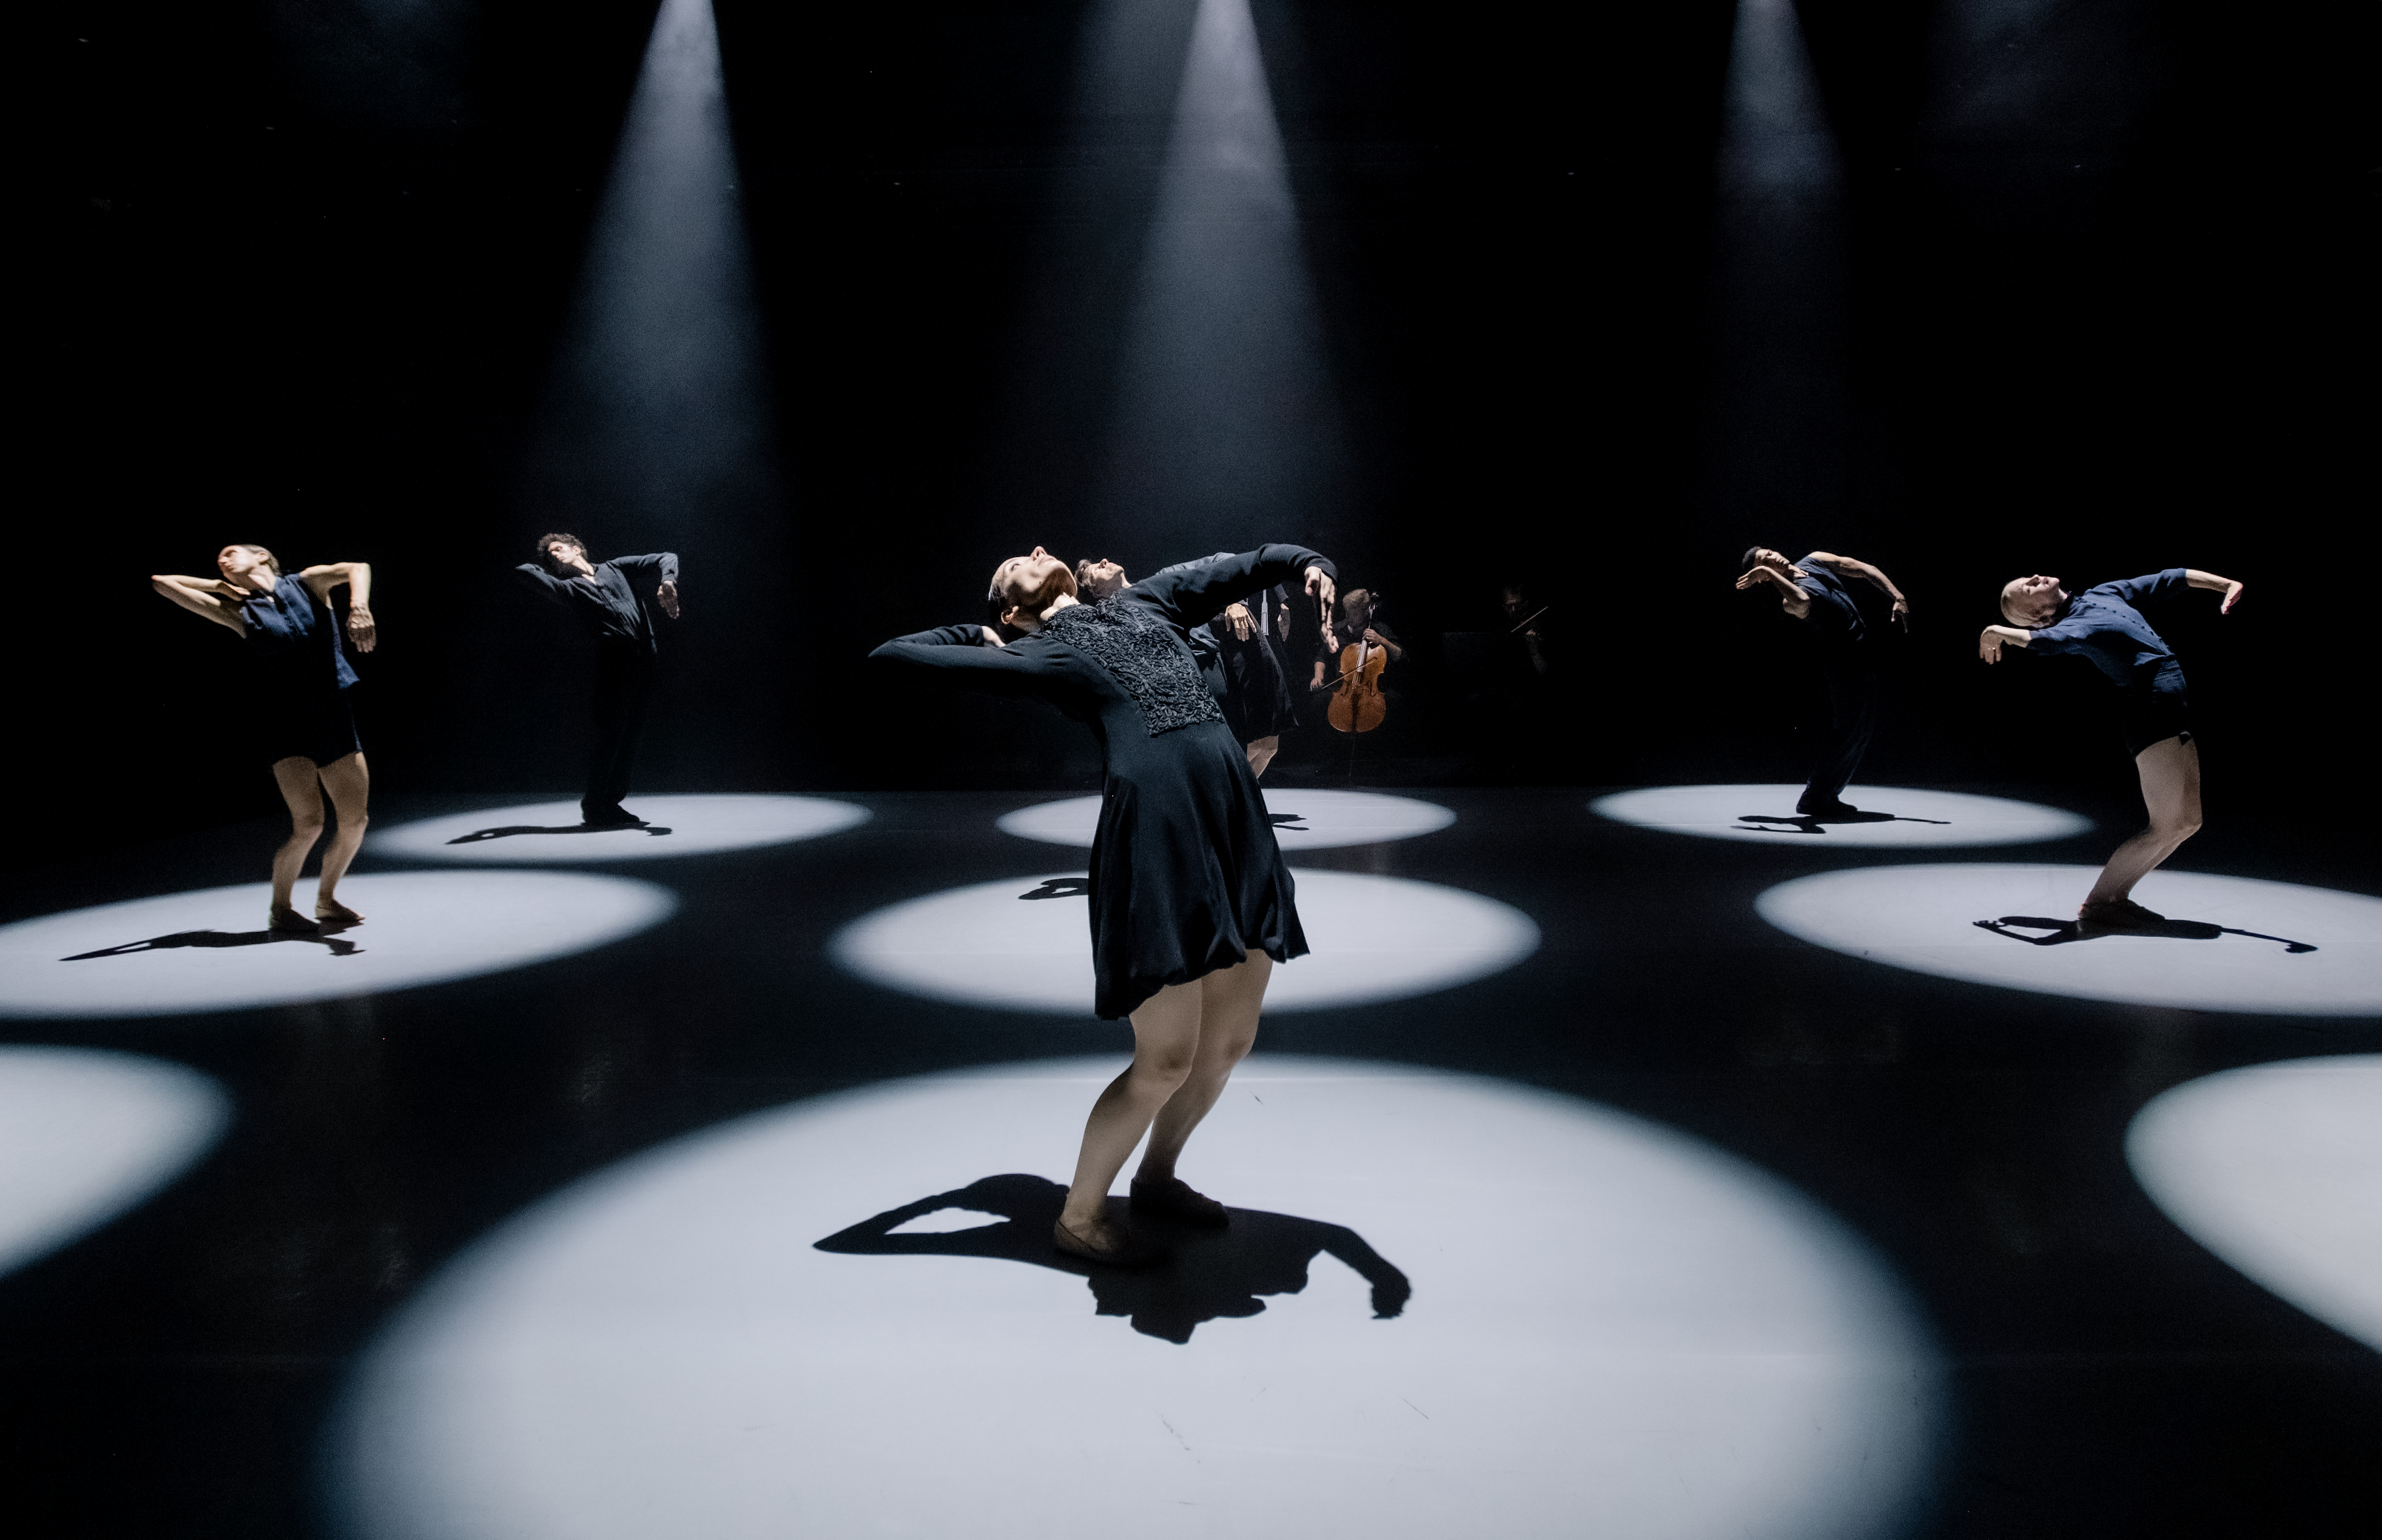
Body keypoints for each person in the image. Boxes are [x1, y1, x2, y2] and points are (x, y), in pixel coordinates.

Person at [872, 543, 1337, 1268]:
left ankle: (1156, 1178)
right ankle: (1080, 1216)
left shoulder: (1149, 599)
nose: (1035, 548)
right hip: (1160, 836)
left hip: (1232, 819)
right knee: (1167, 1059)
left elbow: (1251, 564)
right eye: (1015, 563)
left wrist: (1311, 563)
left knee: (1228, 1044)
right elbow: (893, 655)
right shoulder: (1040, 654)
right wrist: (988, 635)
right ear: (1011, 606)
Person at [1980, 567, 2243, 928]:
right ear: (2038, 616)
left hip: (2173, 713)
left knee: (2188, 822)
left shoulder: (2103, 594)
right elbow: (2047, 643)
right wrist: (1998, 631)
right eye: (2025, 589)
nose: (2033, 578)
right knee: (2167, 825)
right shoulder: (2070, 627)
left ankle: (2114, 899)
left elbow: (2171, 579)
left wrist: (2227, 585)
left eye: (2026, 578)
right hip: (2150, 716)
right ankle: (2100, 902)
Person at [150, 544, 377, 932]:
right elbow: (162, 583)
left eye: (231, 552)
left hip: (333, 715)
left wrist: (359, 606)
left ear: (262, 556)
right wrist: (220, 586)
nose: (222, 558)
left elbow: (358, 566)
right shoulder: (238, 612)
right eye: (219, 557)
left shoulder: (308, 583)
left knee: (355, 822)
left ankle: (326, 899)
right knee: (309, 824)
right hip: (286, 723)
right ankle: (281, 909)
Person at [1077, 554, 1302, 777]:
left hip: (1237, 646)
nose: (1105, 561)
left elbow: (1223, 561)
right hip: (1205, 671)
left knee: (1269, 745)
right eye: (1096, 569)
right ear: (1096, 593)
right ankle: (1226, 804)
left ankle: (1231, 806)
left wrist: (1235, 599)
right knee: (1245, 746)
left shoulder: (1161, 580)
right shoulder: (1117, 622)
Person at [514, 534, 680, 827]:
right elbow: (524, 572)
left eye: (558, 549)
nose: (554, 556)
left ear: (576, 548)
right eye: (550, 556)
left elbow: (666, 556)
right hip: (615, 668)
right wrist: (543, 567)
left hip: (644, 663)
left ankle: (611, 804)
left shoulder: (615, 568)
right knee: (612, 736)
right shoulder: (568, 588)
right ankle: (594, 806)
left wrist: (668, 581)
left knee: (631, 736)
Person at [1735, 547, 1910, 818]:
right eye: (1764, 563)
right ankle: (1814, 798)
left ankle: (1826, 796)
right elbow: (1803, 601)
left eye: (1769, 554)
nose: (1772, 558)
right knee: (1849, 730)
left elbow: (1864, 569)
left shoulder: (1815, 560)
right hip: (1843, 666)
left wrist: (1897, 596)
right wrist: (1768, 573)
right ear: (1764, 578)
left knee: (1861, 731)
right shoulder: (1788, 601)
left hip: (1861, 657)